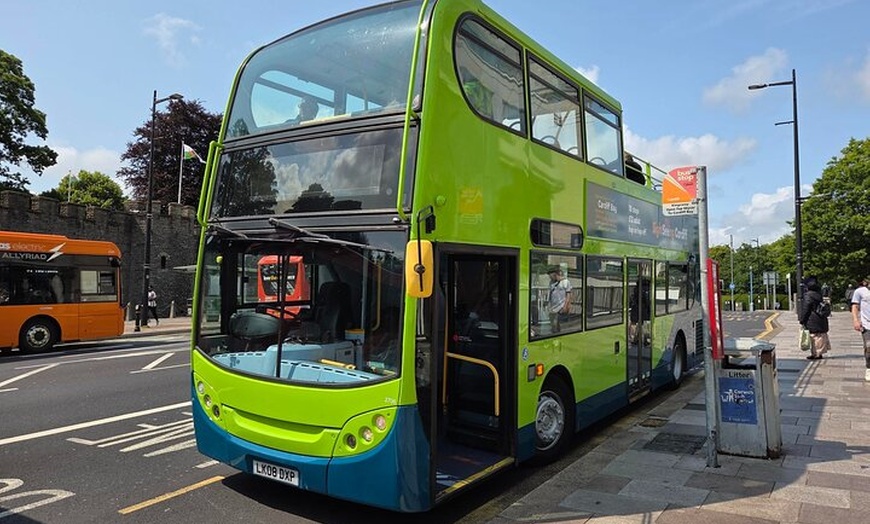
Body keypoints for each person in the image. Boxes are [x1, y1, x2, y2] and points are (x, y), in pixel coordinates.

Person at [799, 275, 830, 360]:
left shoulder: (808, 295)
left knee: (814, 336)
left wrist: (802, 320)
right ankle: (817, 353)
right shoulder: (819, 294)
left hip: (812, 319)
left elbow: (806, 309)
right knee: (819, 336)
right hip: (821, 318)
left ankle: (816, 354)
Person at [851, 277, 870, 381]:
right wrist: (855, 320)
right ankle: (869, 368)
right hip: (867, 324)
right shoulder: (859, 292)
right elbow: (855, 306)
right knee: (869, 347)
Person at [547, 266, 571, 334]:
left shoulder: (565, 282)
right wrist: (549, 304)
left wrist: (565, 306)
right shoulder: (551, 282)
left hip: (560, 305)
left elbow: (568, 295)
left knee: (555, 322)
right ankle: (557, 333)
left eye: (550, 275)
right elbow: (551, 293)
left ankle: (555, 335)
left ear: (555, 274)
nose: (550, 277)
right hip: (553, 306)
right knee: (553, 323)